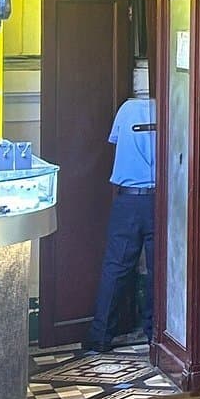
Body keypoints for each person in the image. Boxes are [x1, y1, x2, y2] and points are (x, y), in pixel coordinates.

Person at [82, 60, 156, 353]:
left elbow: (116, 141)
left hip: (128, 200)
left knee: (116, 268)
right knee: (158, 271)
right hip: (160, 201)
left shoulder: (126, 110)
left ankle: (100, 337)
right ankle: (156, 336)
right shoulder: (169, 108)